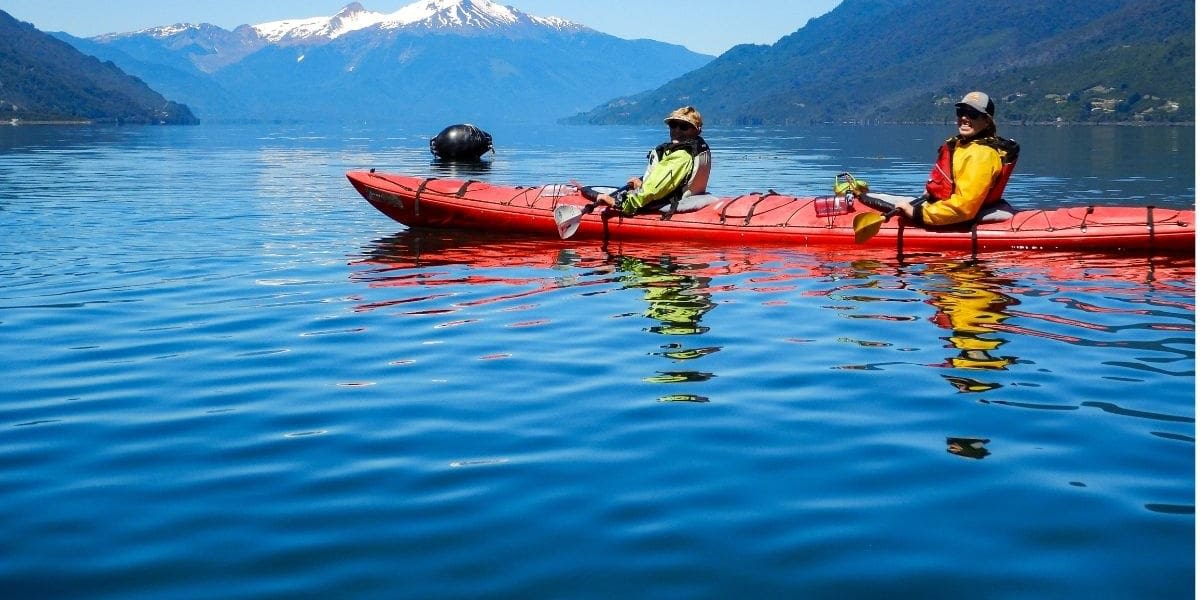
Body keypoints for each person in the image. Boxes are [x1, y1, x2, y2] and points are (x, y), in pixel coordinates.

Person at [864, 91, 1020, 227]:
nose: (964, 118)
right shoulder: (963, 146)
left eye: (972, 114)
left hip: (957, 214)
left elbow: (964, 207)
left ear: (986, 121)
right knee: (868, 198)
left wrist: (916, 213)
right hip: (942, 204)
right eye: (961, 112)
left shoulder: (982, 155)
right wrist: (932, 192)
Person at [596, 106, 712, 215]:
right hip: (686, 200)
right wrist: (643, 184)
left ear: (697, 130)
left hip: (671, 206)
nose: (677, 130)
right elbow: (670, 184)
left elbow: (651, 191)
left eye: (684, 127)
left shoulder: (680, 156)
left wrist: (618, 203)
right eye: (673, 125)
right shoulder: (697, 149)